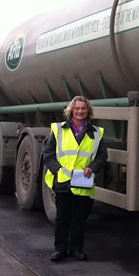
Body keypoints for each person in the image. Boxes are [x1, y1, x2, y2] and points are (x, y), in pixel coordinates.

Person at [42, 96, 108, 262]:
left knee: (80, 217)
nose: (80, 111)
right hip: (63, 180)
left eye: (83, 109)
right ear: (71, 111)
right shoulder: (59, 130)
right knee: (62, 217)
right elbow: (48, 153)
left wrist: (92, 168)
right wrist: (57, 170)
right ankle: (60, 249)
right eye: (77, 108)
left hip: (83, 182)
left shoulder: (96, 133)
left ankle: (76, 249)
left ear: (88, 111)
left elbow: (102, 156)